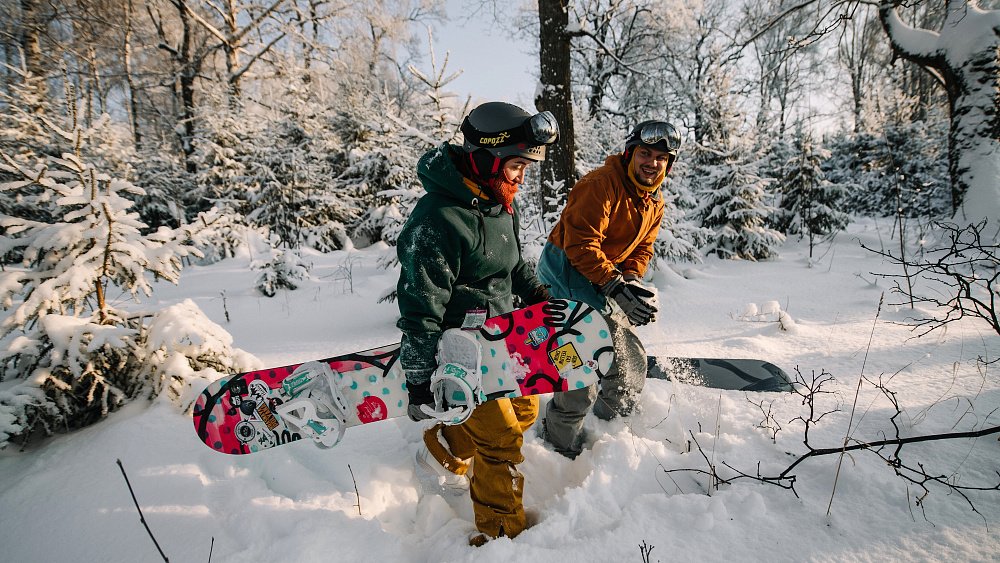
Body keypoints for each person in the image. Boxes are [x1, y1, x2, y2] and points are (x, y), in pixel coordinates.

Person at [395, 101, 558, 546]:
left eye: (526, 168)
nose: (521, 178)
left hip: (501, 337)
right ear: (486, 158)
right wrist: (419, 377)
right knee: (502, 439)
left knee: (524, 410)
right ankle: (500, 536)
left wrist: (541, 298)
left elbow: (513, 266)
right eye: (515, 166)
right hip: (458, 353)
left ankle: (443, 451)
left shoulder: (500, 205)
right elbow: (420, 305)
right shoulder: (437, 219)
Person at [535, 119, 681, 459]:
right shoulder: (600, 185)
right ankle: (557, 445)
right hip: (565, 274)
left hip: (602, 277)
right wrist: (615, 286)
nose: (652, 163)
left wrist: (630, 281)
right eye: (645, 154)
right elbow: (581, 245)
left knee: (629, 357)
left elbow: (643, 248)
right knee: (580, 372)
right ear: (630, 154)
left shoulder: (653, 200)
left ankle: (609, 424)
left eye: (661, 158)